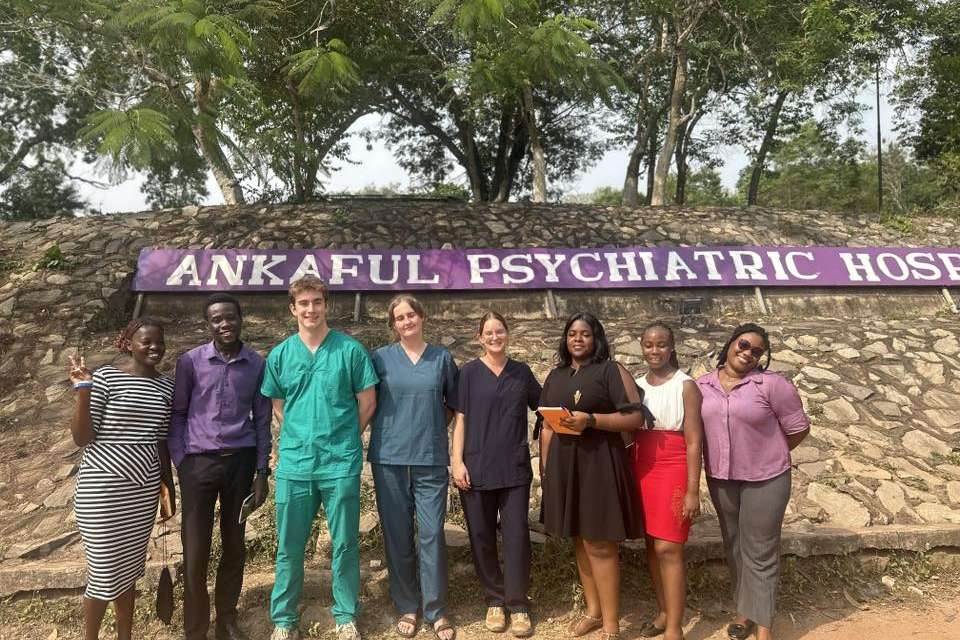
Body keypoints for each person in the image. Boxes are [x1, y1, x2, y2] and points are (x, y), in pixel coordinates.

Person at [261, 275, 379, 640]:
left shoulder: (350, 351)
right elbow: (278, 404)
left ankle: (345, 615)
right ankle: (284, 620)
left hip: (340, 463)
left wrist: (342, 438)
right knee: (289, 545)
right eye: (304, 303)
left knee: (344, 542)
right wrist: (301, 435)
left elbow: (368, 402)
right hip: (295, 464)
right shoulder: (281, 354)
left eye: (317, 302)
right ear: (293, 308)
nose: (310, 309)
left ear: (326, 305)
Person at [697, 323, 810, 640]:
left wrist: (771, 452)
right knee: (734, 547)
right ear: (731, 343)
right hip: (722, 478)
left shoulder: (773, 385)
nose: (747, 353)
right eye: (744, 344)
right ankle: (743, 613)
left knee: (760, 549)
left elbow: (798, 428)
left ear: (763, 357)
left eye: (757, 351)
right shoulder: (702, 385)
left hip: (767, 478)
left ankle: (764, 627)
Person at [169, 293, 272, 640]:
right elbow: (178, 413)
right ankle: (195, 628)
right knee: (195, 549)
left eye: (230, 317)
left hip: (240, 466)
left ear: (241, 318)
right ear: (208, 324)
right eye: (216, 319)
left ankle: (226, 618)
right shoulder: (190, 362)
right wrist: (182, 461)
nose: (224, 324)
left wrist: (261, 472)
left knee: (234, 545)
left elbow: (261, 420)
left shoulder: (256, 364)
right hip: (197, 466)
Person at [67, 317, 176, 640]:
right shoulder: (105, 378)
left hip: (142, 490)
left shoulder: (167, 386)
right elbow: (82, 437)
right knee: (103, 572)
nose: (155, 347)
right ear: (128, 344)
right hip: (102, 488)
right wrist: (83, 391)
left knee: (128, 571)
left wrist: (167, 488)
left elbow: (161, 441)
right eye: (146, 341)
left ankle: (124, 636)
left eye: (159, 342)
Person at [538, 312, 645, 640]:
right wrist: (545, 470)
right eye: (572, 333)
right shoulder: (555, 376)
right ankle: (594, 612)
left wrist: (592, 420)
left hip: (600, 464)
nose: (578, 339)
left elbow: (635, 418)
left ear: (596, 338)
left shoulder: (610, 370)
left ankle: (612, 625)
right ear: (565, 339)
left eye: (585, 333)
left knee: (599, 543)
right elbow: (545, 426)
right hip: (565, 466)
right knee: (580, 542)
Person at [369, 294, 459, 640]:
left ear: (422, 317)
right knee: (397, 535)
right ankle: (407, 605)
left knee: (433, 533)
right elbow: (368, 401)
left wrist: (429, 427)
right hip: (389, 457)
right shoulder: (379, 359)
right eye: (399, 318)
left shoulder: (442, 359)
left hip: (430, 458)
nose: (406, 321)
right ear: (393, 324)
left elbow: (452, 405)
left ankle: (436, 610)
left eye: (411, 315)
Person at [451, 312, 541, 637]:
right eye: (488, 332)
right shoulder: (469, 374)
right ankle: (494, 598)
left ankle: (517, 604)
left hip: (515, 469)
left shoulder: (521, 373)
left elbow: (544, 408)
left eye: (499, 331)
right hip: (475, 469)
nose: (494, 337)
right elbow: (459, 419)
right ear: (479, 337)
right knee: (481, 536)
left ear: (507, 334)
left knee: (516, 536)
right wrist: (456, 461)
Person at [632, 322, 704, 640]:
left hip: (673, 465)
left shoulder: (686, 385)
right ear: (641, 346)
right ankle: (663, 612)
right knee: (651, 542)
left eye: (661, 344)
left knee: (668, 547)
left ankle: (675, 628)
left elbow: (693, 442)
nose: (655, 350)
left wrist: (692, 490)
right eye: (649, 344)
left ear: (672, 346)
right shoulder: (635, 385)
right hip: (641, 466)